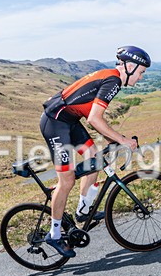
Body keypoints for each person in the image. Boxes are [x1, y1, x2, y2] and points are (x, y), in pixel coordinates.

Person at [40, 46, 150, 257]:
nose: (141, 77)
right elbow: (94, 119)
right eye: (141, 72)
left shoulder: (111, 78)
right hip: (55, 123)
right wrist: (122, 140)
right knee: (67, 181)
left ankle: (82, 211)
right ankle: (53, 235)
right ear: (129, 66)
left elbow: (94, 116)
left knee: (95, 159)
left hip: (69, 121)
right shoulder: (114, 80)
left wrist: (114, 140)